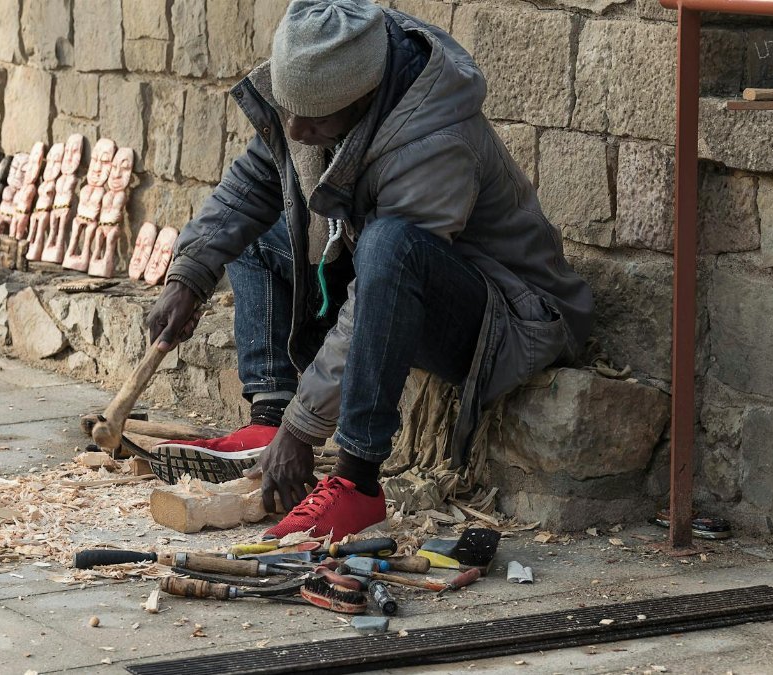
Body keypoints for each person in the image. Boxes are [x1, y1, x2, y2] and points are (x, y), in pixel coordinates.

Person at [147, 0, 594, 540]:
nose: (295, 128)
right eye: (288, 109)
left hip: (509, 318)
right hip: (395, 283)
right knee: (264, 230)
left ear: (360, 100)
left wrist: (305, 428)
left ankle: (358, 482)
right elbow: (252, 185)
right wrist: (188, 276)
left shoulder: (435, 141)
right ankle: (268, 414)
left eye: (313, 119)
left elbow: (375, 293)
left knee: (390, 245)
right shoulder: (322, 96)